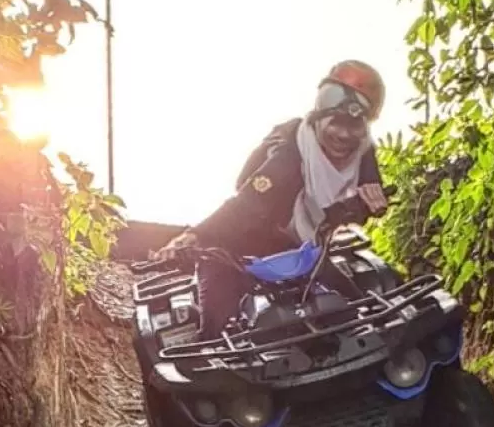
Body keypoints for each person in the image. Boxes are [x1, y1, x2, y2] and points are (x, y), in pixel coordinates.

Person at [156, 60, 389, 338]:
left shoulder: (363, 153)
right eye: (335, 124)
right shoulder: (288, 157)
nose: (343, 135)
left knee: (358, 311)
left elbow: (364, 202)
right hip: (236, 251)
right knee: (213, 334)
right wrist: (192, 236)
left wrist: (371, 207)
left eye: (354, 127)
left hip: (301, 253)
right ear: (318, 118)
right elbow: (244, 205)